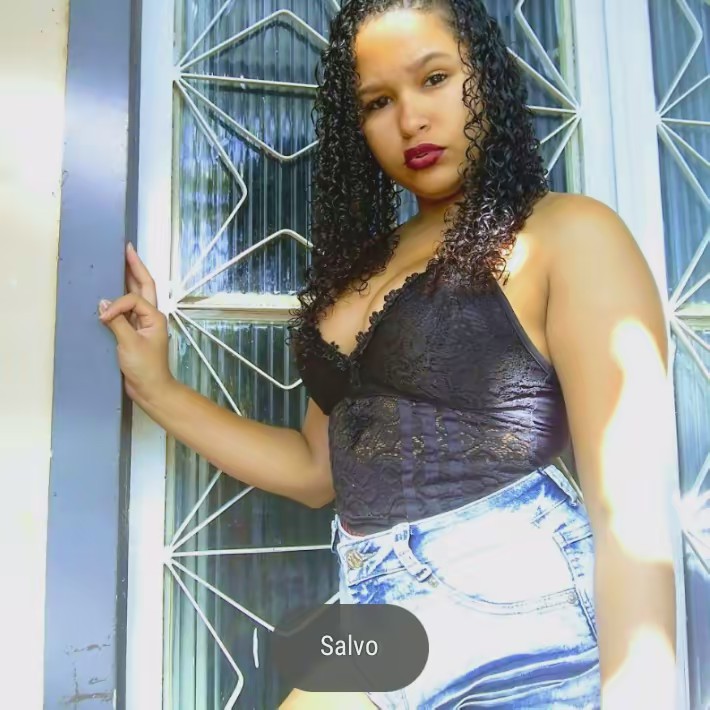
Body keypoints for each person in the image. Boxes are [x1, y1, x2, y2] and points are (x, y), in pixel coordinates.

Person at [99, 1, 678, 708]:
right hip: (379, 593)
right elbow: (315, 471)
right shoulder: (363, 267)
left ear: (487, 78)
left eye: (435, 79)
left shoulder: (569, 232)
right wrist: (158, 390)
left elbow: (630, 511)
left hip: (517, 584)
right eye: (378, 101)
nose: (410, 121)